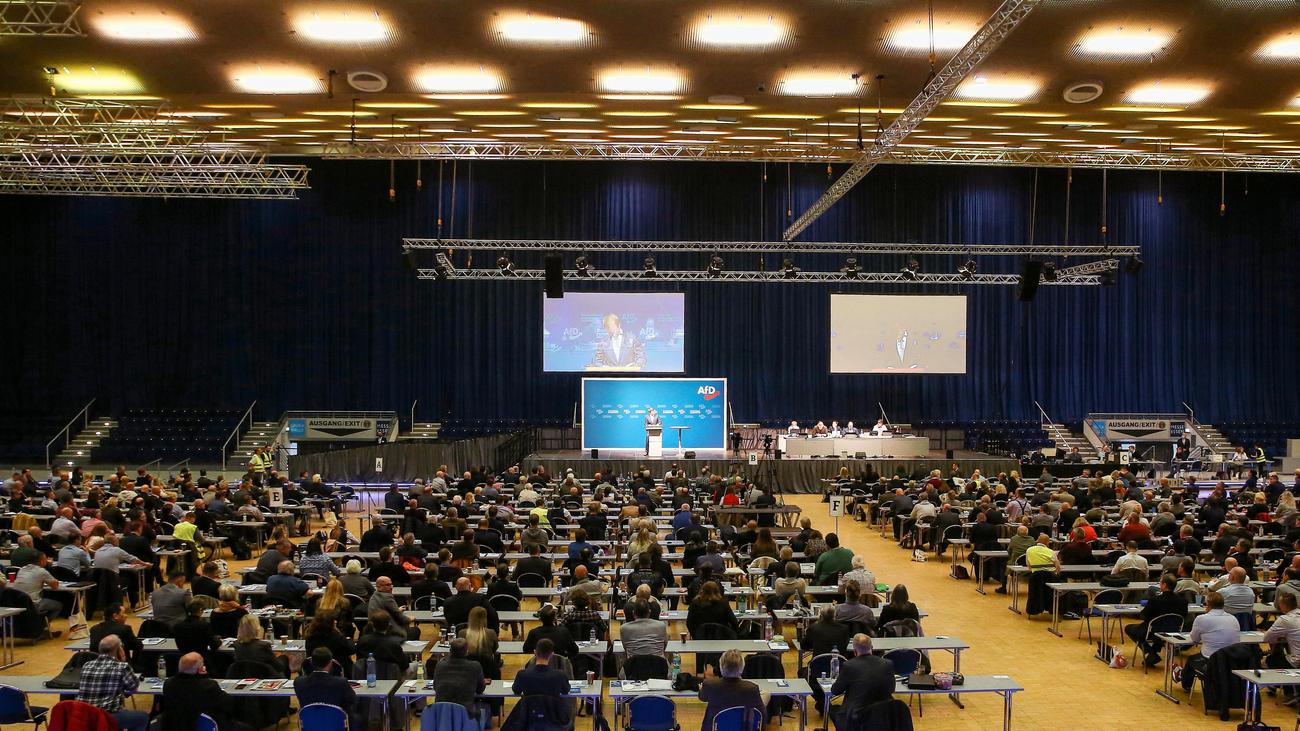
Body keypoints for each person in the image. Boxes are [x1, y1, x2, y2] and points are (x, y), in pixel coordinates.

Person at [77, 634, 149, 731]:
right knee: (142, 717)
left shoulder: (87, 665)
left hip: (84, 715)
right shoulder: (121, 667)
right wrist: (123, 661)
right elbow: (133, 686)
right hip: (106, 716)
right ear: (119, 650)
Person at [162, 652, 246, 731]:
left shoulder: (168, 684)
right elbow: (228, 704)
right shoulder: (208, 686)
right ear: (201, 670)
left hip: (176, 726)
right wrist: (205, 677)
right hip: (205, 725)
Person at [830, 634, 895, 730]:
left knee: (832, 709)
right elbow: (891, 689)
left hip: (857, 717)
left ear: (854, 651)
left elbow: (835, 691)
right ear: (871, 648)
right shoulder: (888, 664)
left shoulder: (849, 665)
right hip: (882, 716)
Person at [1124, 573, 1189, 667]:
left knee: (1129, 628)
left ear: (1164, 585)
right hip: (1173, 631)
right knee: (1160, 629)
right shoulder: (1183, 601)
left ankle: (1151, 652)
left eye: (1160, 582)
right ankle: (1153, 652)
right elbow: (1184, 616)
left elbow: (1144, 615)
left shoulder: (1155, 600)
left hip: (1153, 631)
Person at [1182, 591, 1241, 691]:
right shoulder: (1233, 618)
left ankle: (1186, 685)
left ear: (1208, 605)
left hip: (1210, 659)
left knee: (1191, 660)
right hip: (1232, 659)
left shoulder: (1201, 619)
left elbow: (1194, 639)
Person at [698, 649, 765, 731]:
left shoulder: (709, 685)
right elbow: (762, 715)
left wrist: (701, 689)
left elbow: (702, 697)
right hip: (743, 727)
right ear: (742, 668)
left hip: (715, 727)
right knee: (765, 695)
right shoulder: (752, 688)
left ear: (721, 666)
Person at [294, 648, 359, 729]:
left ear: (311, 662)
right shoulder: (341, 683)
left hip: (310, 725)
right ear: (330, 663)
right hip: (336, 725)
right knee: (358, 718)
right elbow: (353, 700)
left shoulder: (299, 682)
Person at [433, 638, 489, 727]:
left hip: (441, 716)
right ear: (466, 651)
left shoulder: (440, 665)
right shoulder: (475, 666)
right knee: (484, 708)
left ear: (450, 651)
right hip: (466, 716)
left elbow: (435, 687)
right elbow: (480, 689)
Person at [13, 553, 62, 629]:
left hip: (17, 603)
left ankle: (37, 625)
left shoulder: (22, 569)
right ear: (42, 561)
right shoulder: (41, 571)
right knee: (58, 605)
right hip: (33, 603)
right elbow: (55, 586)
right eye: (46, 559)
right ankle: (42, 627)